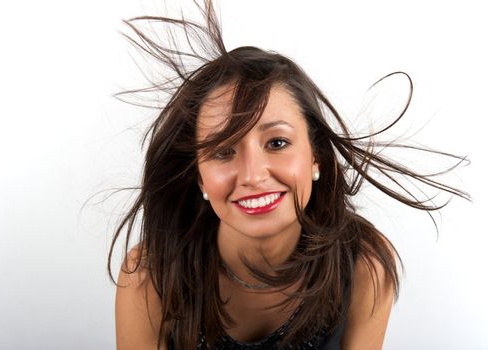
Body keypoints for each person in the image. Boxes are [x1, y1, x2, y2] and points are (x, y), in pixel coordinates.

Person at [109, 1, 469, 349]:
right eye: (223, 151)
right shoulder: (148, 276)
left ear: (316, 157)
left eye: (277, 142)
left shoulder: (363, 265)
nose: (252, 175)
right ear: (200, 178)